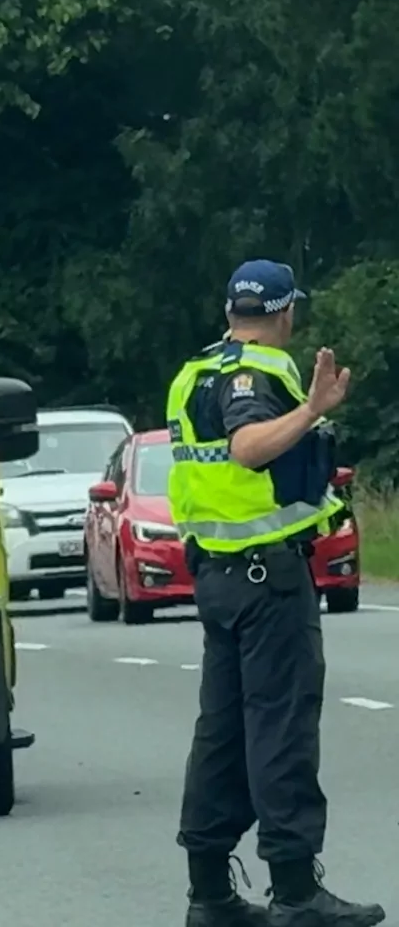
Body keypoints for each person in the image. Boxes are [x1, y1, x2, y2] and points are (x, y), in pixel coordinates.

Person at [166, 261, 384, 927]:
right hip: (266, 580)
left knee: (223, 734)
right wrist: (314, 409)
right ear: (286, 313)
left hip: (219, 578)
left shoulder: (191, 373)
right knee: (281, 730)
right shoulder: (257, 373)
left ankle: (209, 893)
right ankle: (295, 891)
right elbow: (246, 446)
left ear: (232, 310)